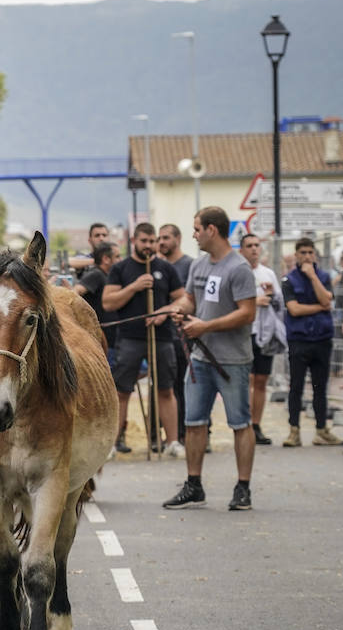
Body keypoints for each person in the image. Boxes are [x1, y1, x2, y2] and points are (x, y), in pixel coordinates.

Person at [163, 206, 258, 512]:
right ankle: (194, 485)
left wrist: (205, 325)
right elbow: (191, 298)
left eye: (196, 229)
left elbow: (247, 312)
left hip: (232, 360)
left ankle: (243, 487)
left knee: (240, 423)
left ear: (211, 230)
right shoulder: (199, 266)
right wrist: (180, 309)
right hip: (201, 358)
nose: (193, 234)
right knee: (193, 423)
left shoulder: (239, 268)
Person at [102, 223, 185, 456]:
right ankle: (111, 444)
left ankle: (172, 442)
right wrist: (135, 287)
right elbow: (109, 302)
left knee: (166, 390)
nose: (149, 246)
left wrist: (165, 311)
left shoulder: (166, 269)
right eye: (144, 241)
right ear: (135, 242)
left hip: (162, 337)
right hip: (129, 338)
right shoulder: (120, 269)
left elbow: (183, 300)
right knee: (122, 391)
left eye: (152, 241)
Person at [280, 237, 339, 447]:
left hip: (322, 339)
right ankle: (294, 430)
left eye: (310, 252)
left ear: (315, 255)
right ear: (296, 255)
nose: (306, 256)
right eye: (302, 252)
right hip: (299, 340)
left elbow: (326, 300)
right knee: (296, 386)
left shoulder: (323, 277)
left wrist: (312, 276)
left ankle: (321, 429)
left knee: (320, 387)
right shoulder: (288, 280)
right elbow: (294, 309)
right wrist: (320, 308)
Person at [239, 233, 284, 446]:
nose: (254, 249)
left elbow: (279, 305)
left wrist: (272, 295)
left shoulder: (268, 274)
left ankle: (256, 424)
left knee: (261, 380)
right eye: (249, 246)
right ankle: (244, 423)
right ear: (242, 249)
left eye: (257, 245)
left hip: (264, 332)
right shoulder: (238, 272)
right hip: (244, 332)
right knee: (246, 380)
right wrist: (254, 301)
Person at [156, 222, 193, 428]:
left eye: (166, 238)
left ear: (177, 240)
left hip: (183, 335)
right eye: (159, 238)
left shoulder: (189, 265)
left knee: (185, 385)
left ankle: (192, 430)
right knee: (165, 388)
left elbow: (190, 299)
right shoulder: (156, 266)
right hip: (163, 336)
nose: (161, 242)